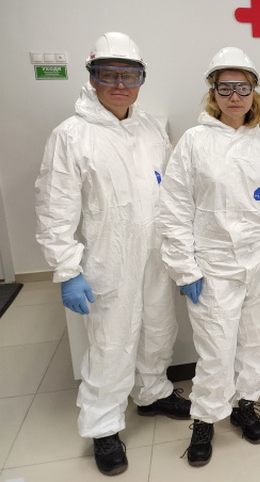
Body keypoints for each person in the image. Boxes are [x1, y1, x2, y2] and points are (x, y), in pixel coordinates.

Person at [34, 32, 189, 476]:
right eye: (109, 74)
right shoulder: (72, 135)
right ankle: (103, 425)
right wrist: (68, 270)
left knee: (158, 327)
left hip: (155, 253)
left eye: (130, 75)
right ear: (92, 77)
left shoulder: (150, 128)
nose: (120, 84)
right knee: (111, 342)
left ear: (141, 79)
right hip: (108, 258)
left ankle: (153, 393)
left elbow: (173, 191)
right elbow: (54, 208)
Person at [157, 47, 260, 466]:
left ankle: (245, 404)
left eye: (242, 88)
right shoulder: (194, 142)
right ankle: (206, 418)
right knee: (216, 347)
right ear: (212, 93)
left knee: (259, 338)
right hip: (213, 264)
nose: (234, 96)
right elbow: (174, 207)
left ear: (253, 92)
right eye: (225, 88)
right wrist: (185, 268)